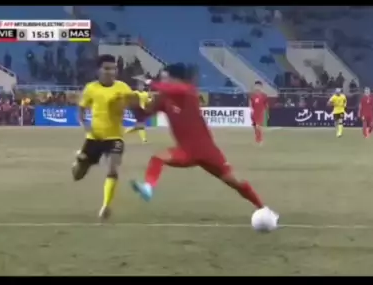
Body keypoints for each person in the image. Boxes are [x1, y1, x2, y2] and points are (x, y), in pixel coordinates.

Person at [130, 64, 277, 221]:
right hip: (186, 151)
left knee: (235, 182)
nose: (163, 81)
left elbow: (173, 89)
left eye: (165, 78)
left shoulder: (187, 91)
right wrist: (133, 105)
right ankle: (148, 188)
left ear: (177, 79)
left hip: (207, 151)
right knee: (158, 158)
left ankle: (263, 208)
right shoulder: (164, 98)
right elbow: (145, 114)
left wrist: (149, 81)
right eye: (162, 78)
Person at [72, 55, 134, 220]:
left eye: (113, 68)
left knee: (113, 168)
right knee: (78, 175)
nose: (110, 72)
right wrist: (85, 126)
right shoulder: (91, 88)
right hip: (94, 137)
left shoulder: (123, 87)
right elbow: (81, 112)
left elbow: (135, 103)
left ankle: (106, 206)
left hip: (115, 137)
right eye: (106, 68)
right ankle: (79, 161)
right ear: (98, 70)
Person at [249, 81, 269, 145]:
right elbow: (250, 104)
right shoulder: (252, 96)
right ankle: (257, 139)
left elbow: (266, 105)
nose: (257, 87)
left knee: (258, 126)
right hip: (254, 113)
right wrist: (251, 110)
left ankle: (260, 140)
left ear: (261, 87)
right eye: (256, 86)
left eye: (258, 86)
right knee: (255, 127)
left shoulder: (264, 96)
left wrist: (266, 113)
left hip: (260, 113)